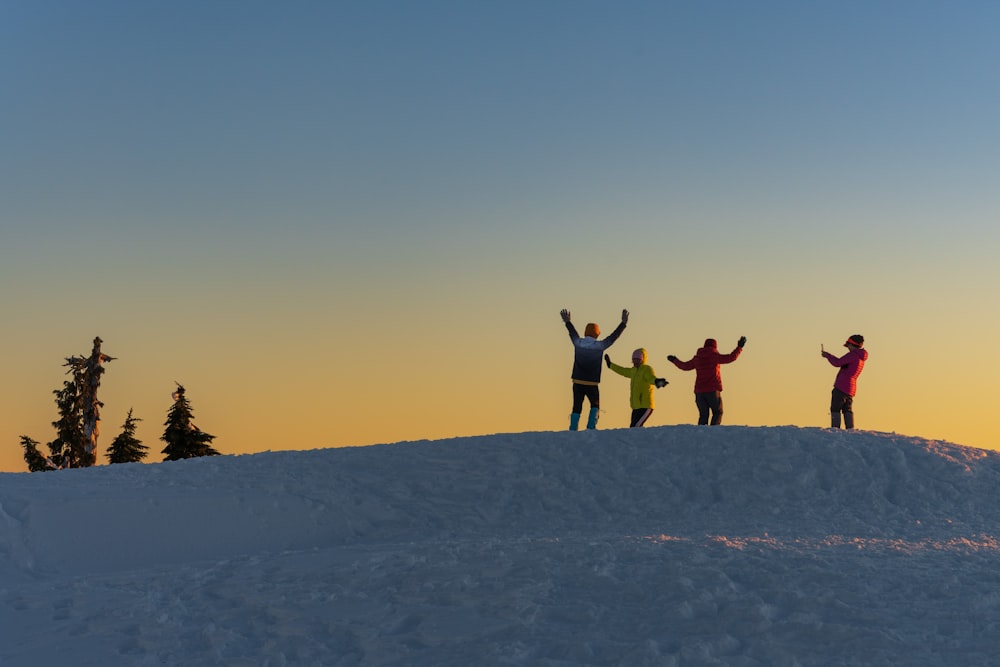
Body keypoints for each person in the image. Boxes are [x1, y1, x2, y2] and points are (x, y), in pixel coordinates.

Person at [560, 308, 628, 430]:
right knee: (595, 404)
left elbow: (572, 333)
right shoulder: (600, 346)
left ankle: (573, 427)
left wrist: (567, 322)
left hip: (577, 381)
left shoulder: (578, 343)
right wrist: (623, 324)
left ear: (586, 332)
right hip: (592, 383)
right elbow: (613, 337)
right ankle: (591, 426)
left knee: (576, 405)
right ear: (597, 333)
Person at [667, 336, 746, 425]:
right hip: (712, 391)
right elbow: (731, 358)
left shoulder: (697, 358)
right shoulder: (714, 356)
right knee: (717, 412)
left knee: (703, 415)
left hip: (699, 393)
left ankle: (701, 435)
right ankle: (713, 433)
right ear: (715, 347)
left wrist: (674, 360)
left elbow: (685, 366)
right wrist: (739, 347)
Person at [605, 348, 668, 427]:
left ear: (642, 360)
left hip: (646, 406)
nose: (635, 362)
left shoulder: (646, 369)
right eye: (634, 360)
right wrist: (610, 365)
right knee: (633, 428)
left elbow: (651, 378)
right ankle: (641, 439)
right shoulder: (633, 370)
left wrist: (657, 381)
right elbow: (623, 371)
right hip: (636, 407)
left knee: (636, 426)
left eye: (637, 360)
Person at [822, 334, 868, 429]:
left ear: (852, 345)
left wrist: (827, 356)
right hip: (851, 388)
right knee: (847, 409)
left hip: (841, 386)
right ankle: (850, 429)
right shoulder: (861, 357)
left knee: (835, 408)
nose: (848, 348)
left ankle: (835, 429)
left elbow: (837, 362)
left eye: (848, 346)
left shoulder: (853, 355)